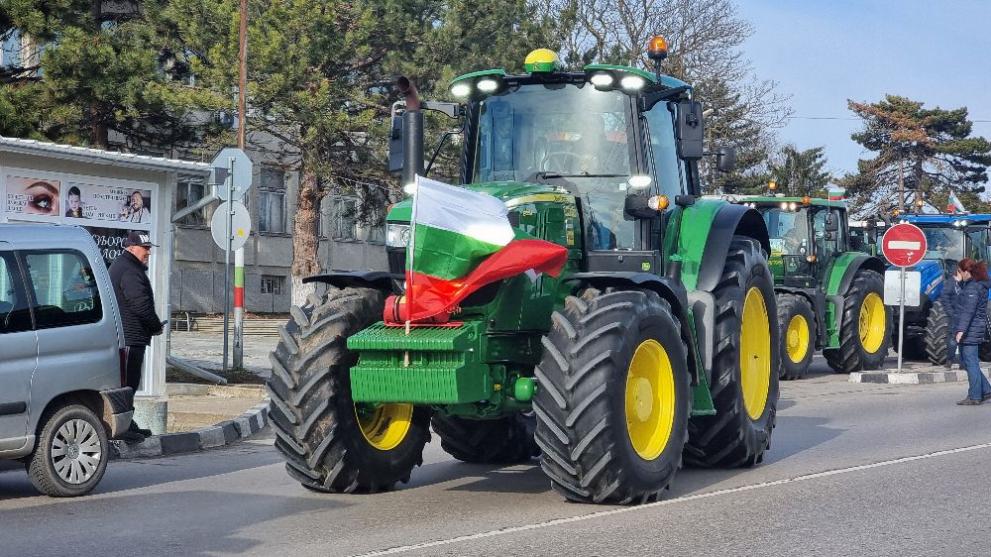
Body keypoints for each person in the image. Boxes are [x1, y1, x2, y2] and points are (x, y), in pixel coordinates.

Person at [109, 231, 165, 440]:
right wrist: (155, 325)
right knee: (128, 383)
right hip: (129, 337)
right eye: (145, 248)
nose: (148, 253)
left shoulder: (124, 266)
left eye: (150, 248)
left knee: (127, 383)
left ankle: (127, 424)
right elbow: (139, 304)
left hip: (127, 336)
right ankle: (124, 429)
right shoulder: (130, 270)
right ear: (132, 248)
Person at [952, 258, 991, 405]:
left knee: (970, 362)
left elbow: (968, 311)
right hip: (973, 328)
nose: (958, 274)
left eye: (960, 271)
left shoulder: (973, 288)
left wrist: (961, 330)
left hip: (971, 329)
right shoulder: (973, 285)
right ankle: (986, 390)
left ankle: (975, 396)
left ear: (967, 271)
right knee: (969, 362)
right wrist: (959, 282)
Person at [942, 269, 962, 369]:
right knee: (953, 338)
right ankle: (950, 359)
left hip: (965, 314)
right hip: (955, 315)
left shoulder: (966, 283)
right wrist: (950, 312)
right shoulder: (950, 283)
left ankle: (963, 361)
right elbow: (945, 298)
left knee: (965, 338)